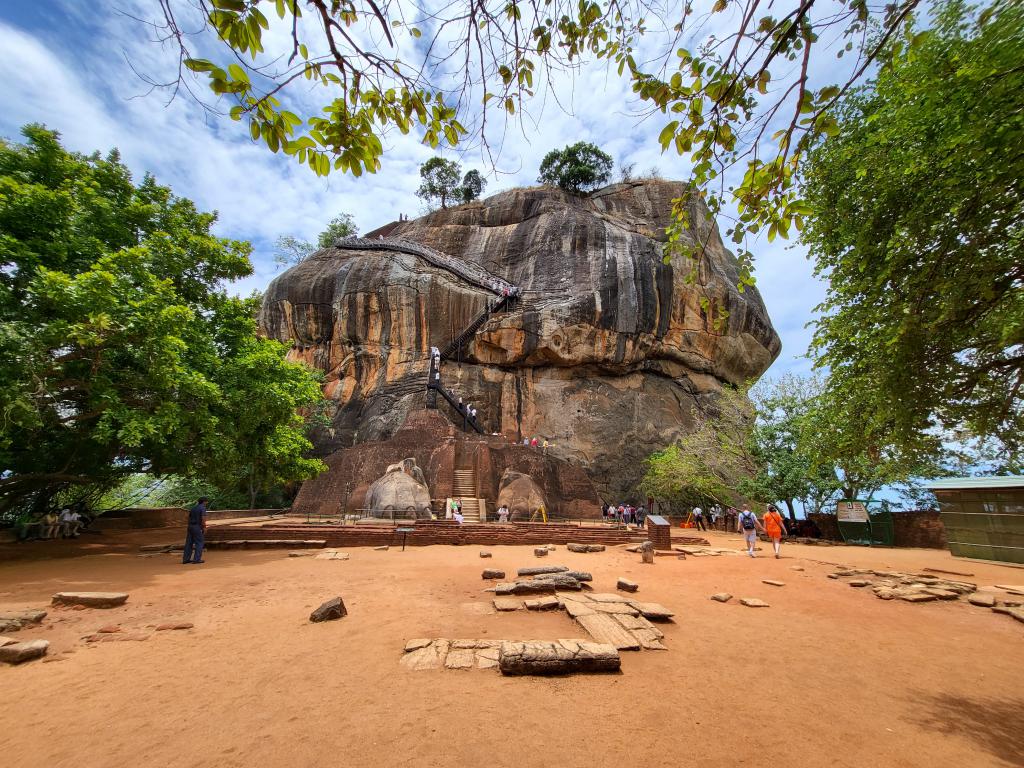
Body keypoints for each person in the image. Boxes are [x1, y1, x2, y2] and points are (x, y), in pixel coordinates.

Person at [183, 497, 209, 564]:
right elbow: (203, 519)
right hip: (197, 526)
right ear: (204, 502)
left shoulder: (193, 508)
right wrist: (204, 527)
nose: (207, 503)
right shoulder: (202, 508)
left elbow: (188, 518)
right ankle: (196, 559)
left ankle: (186, 559)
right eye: (206, 502)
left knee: (189, 543)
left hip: (190, 526)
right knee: (199, 542)